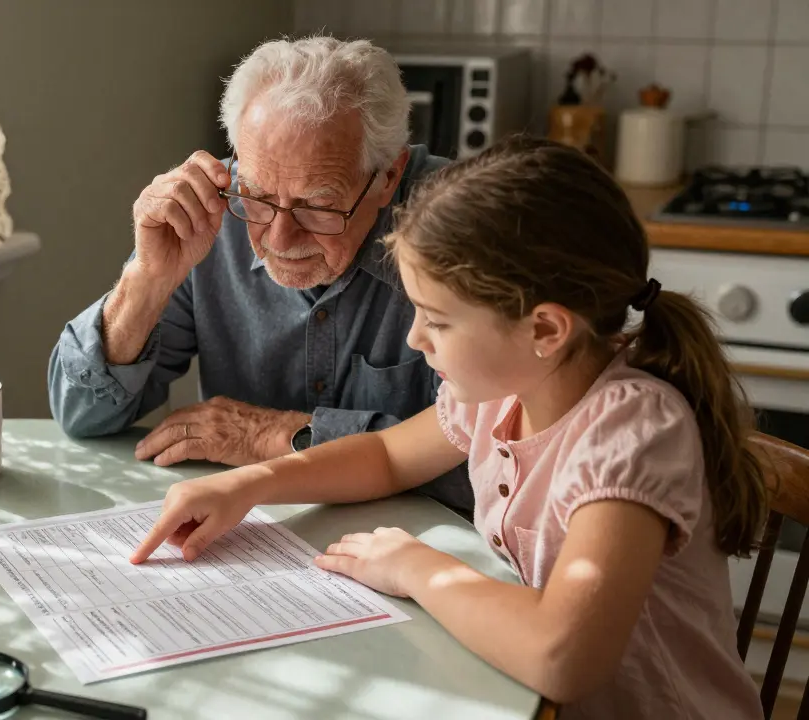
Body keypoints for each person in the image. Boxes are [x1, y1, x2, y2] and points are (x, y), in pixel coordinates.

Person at [129, 137, 766, 719]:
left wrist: (414, 568)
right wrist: (252, 485)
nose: (415, 337)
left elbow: (564, 656)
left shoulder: (629, 434)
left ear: (545, 329)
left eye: (438, 319)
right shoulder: (501, 393)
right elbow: (384, 456)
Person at [47, 36, 472, 514]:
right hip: (251, 538)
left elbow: (485, 468)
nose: (280, 237)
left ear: (388, 177)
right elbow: (82, 415)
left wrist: (278, 436)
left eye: (318, 205)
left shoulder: (462, 227)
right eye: (259, 196)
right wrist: (146, 279)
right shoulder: (211, 208)